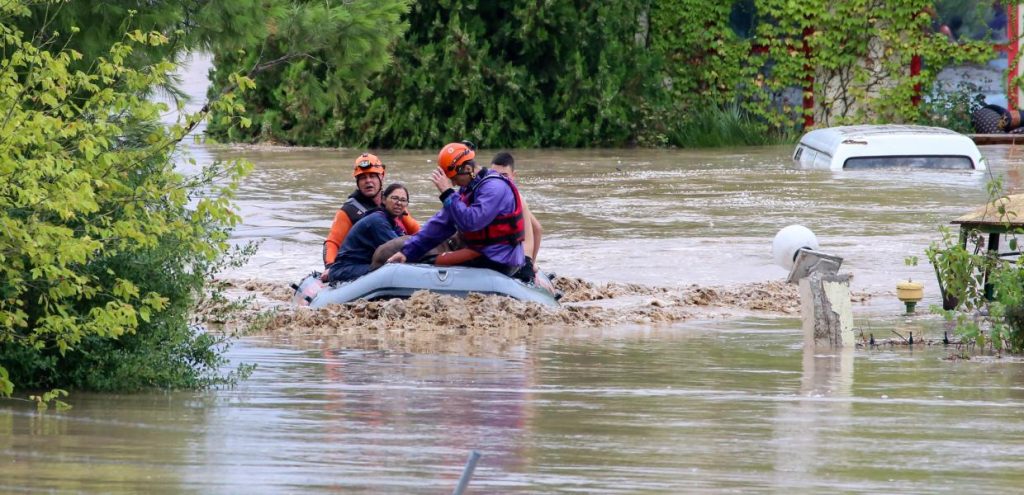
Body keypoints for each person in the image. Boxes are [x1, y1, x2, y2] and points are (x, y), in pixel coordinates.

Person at [386, 141, 526, 278]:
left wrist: (447, 193)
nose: (452, 183)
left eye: (453, 178)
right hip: (481, 251)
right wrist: (407, 252)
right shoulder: (467, 189)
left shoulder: (494, 188)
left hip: (500, 258)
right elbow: (440, 224)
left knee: (427, 264)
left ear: (467, 169)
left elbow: (471, 222)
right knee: (420, 260)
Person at [432, 152, 542, 283]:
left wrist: (529, 262)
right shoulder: (483, 190)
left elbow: (535, 230)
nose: (499, 178)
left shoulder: (516, 199)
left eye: (504, 175)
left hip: (503, 257)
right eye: (496, 173)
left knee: (531, 267)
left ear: (514, 175)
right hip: (480, 250)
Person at [321, 153, 419, 275]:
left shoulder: (394, 206)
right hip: (358, 265)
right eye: (362, 177)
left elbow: (417, 232)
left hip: (384, 259)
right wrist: (330, 266)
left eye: (372, 176)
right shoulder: (348, 211)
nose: (368, 181)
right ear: (357, 181)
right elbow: (331, 243)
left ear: (382, 176)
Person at [324, 183, 412, 283]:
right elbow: (398, 249)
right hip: (345, 269)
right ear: (383, 200)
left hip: (362, 265)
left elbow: (407, 241)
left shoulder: (392, 223)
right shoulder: (377, 221)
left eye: (403, 200)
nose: (399, 203)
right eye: (394, 198)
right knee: (389, 270)